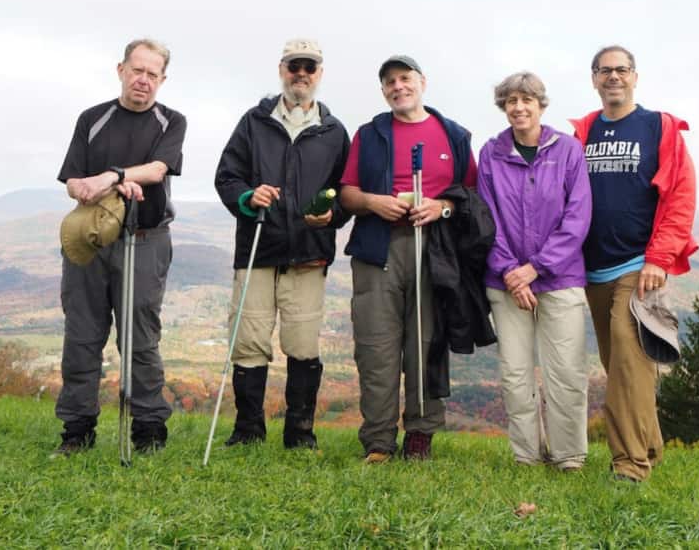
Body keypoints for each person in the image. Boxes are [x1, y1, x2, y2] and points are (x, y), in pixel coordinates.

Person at [339, 55, 480, 462]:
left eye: (405, 78)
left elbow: (470, 196)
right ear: (383, 91)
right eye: (390, 82)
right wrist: (372, 202)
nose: (398, 86)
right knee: (376, 347)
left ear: (422, 82)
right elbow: (347, 193)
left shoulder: (454, 135)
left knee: (427, 343)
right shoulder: (369, 135)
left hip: (435, 250)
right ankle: (379, 441)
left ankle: (420, 434)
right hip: (377, 249)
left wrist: (442, 208)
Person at [570, 45, 698, 483]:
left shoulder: (658, 127)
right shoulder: (583, 132)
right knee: (623, 366)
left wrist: (659, 258)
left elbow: (680, 197)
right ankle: (651, 446)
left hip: (638, 266)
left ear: (635, 77)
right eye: (604, 70)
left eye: (621, 69)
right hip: (592, 270)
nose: (613, 77)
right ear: (594, 79)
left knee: (628, 360)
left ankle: (630, 465)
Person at [214, 39, 350, 449]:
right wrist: (247, 196)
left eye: (309, 67)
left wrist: (332, 215)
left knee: (303, 344)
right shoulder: (253, 122)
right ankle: (248, 431)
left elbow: (346, 192)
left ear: (320, 73)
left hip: (309, 254)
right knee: (248, 342)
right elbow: (227, 177)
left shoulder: (334, 132)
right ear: (282, 70)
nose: (301, 74)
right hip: (257, 249)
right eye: (294, 66)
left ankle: (300, 434)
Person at [55, 39, 186, 455]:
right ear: (121, 70)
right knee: (82, 334)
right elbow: (72, 180)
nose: (144, 80)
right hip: (91, 238)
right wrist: (88, 187)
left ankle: (148, 430)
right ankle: (77, 430)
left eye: (153, 74)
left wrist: (113, 176)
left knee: (140, 338)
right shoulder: (92, 119)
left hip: (145, 239)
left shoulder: (171, 121)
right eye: (137, 70)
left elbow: (158, 169)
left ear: (162, 79)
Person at [477, 72, 592, 471]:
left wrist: (536, 269)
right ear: (503, 107)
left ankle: (568, 456)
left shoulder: (568, 151)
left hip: (560, 279)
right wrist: (512, 272)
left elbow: (577, 217)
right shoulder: (491, 153)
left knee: (566, 372)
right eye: (511, 100)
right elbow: (487, 219)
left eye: (526, 99)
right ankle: (526, 455)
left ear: (541, 105)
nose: (518, 107)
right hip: (506, 282)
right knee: (515, 374)